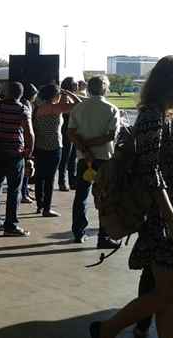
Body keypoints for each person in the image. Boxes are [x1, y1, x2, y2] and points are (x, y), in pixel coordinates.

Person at [90, 55, 173, 338]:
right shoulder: (152, 118)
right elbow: (152, 174)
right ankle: (107, 329)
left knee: (167, 294)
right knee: (168, 291)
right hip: (160, 218)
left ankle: (107, 330)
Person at [67, 76, 122, 248]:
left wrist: (85, 148)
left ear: (89, 89)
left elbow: (71, 132)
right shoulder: (111, 109)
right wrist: (91, 146)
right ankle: (104, 236)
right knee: (105, 198)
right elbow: (111, 136)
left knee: (81, 197)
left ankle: (78, 232)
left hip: (85, 159)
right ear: (105, 88)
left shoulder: (79, 108)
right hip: (105, 158)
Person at [0, 82, 34, 236]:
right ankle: (10, 225)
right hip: (14, 154)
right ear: (20, 94)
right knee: (14, 190)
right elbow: (29, 134)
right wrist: (28, 154)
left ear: (5, 93)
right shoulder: (22, 110)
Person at [32, 84, 81, 217]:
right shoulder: (57, 108)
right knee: (50, 178)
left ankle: (39, 205)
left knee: (40, 177)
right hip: (54, 146)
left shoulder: (38, 108)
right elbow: (78, 104)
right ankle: (47, 208)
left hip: (40, 145)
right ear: (55, 95)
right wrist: (67, 93)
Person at [58, 77, 79, 192]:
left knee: (72, 157)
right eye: (75, 84)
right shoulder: (64, 97)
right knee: (66, 157)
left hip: (73, 129)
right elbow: (70, 109)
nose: (77, 86)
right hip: (66, 129)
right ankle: (62, 181)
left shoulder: (70, 96)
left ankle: (72, 180)